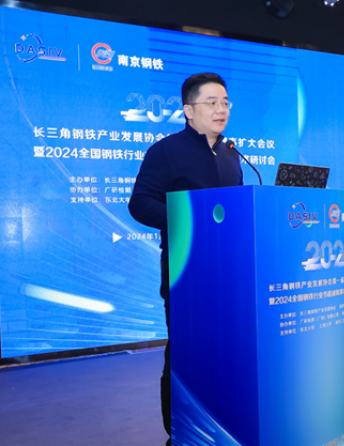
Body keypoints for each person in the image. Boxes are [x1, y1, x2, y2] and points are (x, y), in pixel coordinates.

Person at [128, 72, 243, 445]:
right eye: (211, 102)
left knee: (226, 352)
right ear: (188, 110)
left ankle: (222, 425)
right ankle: (177, 433)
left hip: (230, 272)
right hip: (186, 272)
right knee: (185, 355)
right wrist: (188, 221)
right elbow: (139, 204)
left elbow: (237, 208)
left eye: (225, 102)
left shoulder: (231, 154)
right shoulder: (165, 151)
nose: (221, 109)